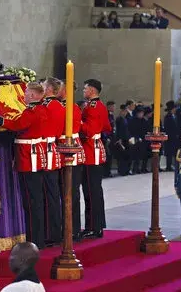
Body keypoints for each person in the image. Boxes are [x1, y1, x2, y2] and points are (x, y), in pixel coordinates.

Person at [0, 82, 48, 249]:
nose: (25, 95)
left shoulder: (32, 111)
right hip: (35, 155)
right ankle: (37, 238)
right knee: (35, 200)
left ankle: (33, 240)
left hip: (29, 157)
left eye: (28, 92)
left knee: (30, 202)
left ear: (35, 95)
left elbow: (18, 125)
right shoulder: (41, 109)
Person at [80, 79, 112, 239]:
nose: (83, 91)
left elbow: (89, 131)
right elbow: (107, 126)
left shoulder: (91, 108)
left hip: (90, 152)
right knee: (95, 191)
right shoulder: (100, 106)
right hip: (96, 149)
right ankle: (97, 225)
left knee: (91, 192)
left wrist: (78, 122)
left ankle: (93, 226)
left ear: (92, 90)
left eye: (85, 89)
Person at [57, 81, 85, 241]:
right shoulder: (68, 106)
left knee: (71, 192)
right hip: (68, 150)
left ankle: (72, 228)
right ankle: (71, 227)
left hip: (69, 151)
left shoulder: (69, 107)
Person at [41, 77, 65, 247]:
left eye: (43, 85)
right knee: (53, 194)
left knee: (48, 195)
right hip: (53, 151)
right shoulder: (60, 106)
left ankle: (50, 232)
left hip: (45, 151)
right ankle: (55, 231)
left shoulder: (47, 106)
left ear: (49, 89)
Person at [128, 106, 147, 174]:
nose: (141, 114)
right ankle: (132, 169)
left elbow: (145, 130)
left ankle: (138, 168)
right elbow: (131, 130)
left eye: (142, 113)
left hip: (142, 140)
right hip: (134, 139)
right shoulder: (132, 120)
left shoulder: (144, 120)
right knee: (133, 155)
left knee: (140, 155)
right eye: (140, 113)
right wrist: (136, 137)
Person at [115, 105, 131, 176]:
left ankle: (126, 170)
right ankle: (122, 170)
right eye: (124, 111)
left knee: (126, 155)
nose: (125, 113)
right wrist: (119, 139)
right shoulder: (119, 119)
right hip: (121, 139)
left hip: (126, 139)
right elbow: (119, 130)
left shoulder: (125, 119)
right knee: (121, 156)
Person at [164, 100, 179, 171]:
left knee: (175, 152)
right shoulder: (168, 117)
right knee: (169, 153)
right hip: (170, 138)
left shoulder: (175, 116)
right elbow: (168, 128)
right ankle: (168, 166)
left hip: (175, 138)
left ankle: (173, 165)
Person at [103, 101, 116, 177]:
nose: (114, 108)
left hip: (111, 138)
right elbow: (104, 127)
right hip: (107, 138)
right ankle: (106, 172)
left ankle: (108, 171)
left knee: (110, 155)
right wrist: (106, 137)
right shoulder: (105, 115)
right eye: (113, 106)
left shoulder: (111, 115)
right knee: (107, 155)